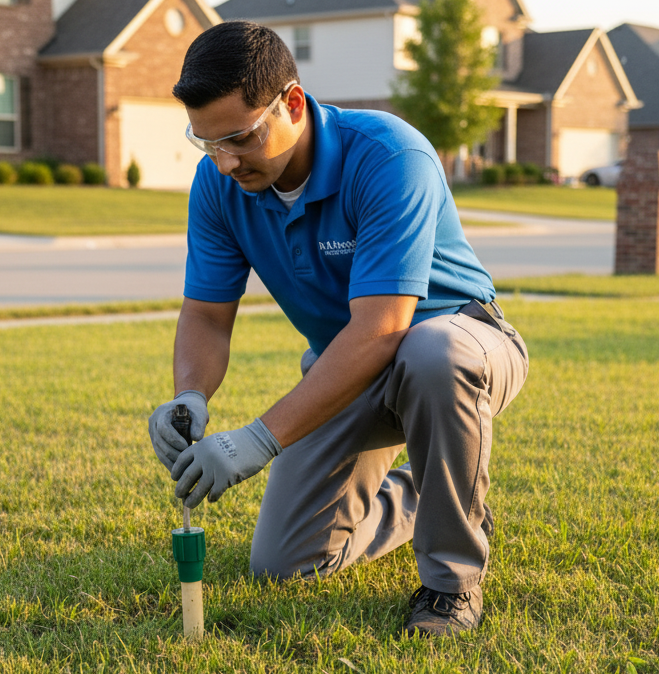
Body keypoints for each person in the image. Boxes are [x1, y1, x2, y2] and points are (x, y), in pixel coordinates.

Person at [148, 21, 529, 636]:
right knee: (284, 563)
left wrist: (260, 439)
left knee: (431, 354)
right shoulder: (219, 186)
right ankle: (430, 497)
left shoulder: (387, 155)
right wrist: (191, 393)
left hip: (462, 342)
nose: (224, 163)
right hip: (350, 369)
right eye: (206, 143)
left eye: (240, 139)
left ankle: (449, 585)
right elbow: (206, 315)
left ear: (292, 103)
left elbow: (384, 328)